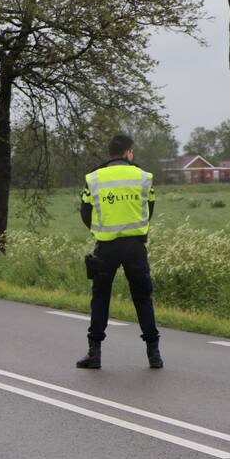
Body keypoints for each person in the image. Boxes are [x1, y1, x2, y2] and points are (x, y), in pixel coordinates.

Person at [76, 134, 163, 370]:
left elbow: (85, 211)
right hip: (135, 246)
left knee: (101, 298)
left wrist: (100, 230)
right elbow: (149, 207)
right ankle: (154, 354)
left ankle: (94, 354)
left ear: (110, 153)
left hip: (106, 247)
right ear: (128, 152)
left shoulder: (94, 178)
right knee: (143, 298)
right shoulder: (144, 177)